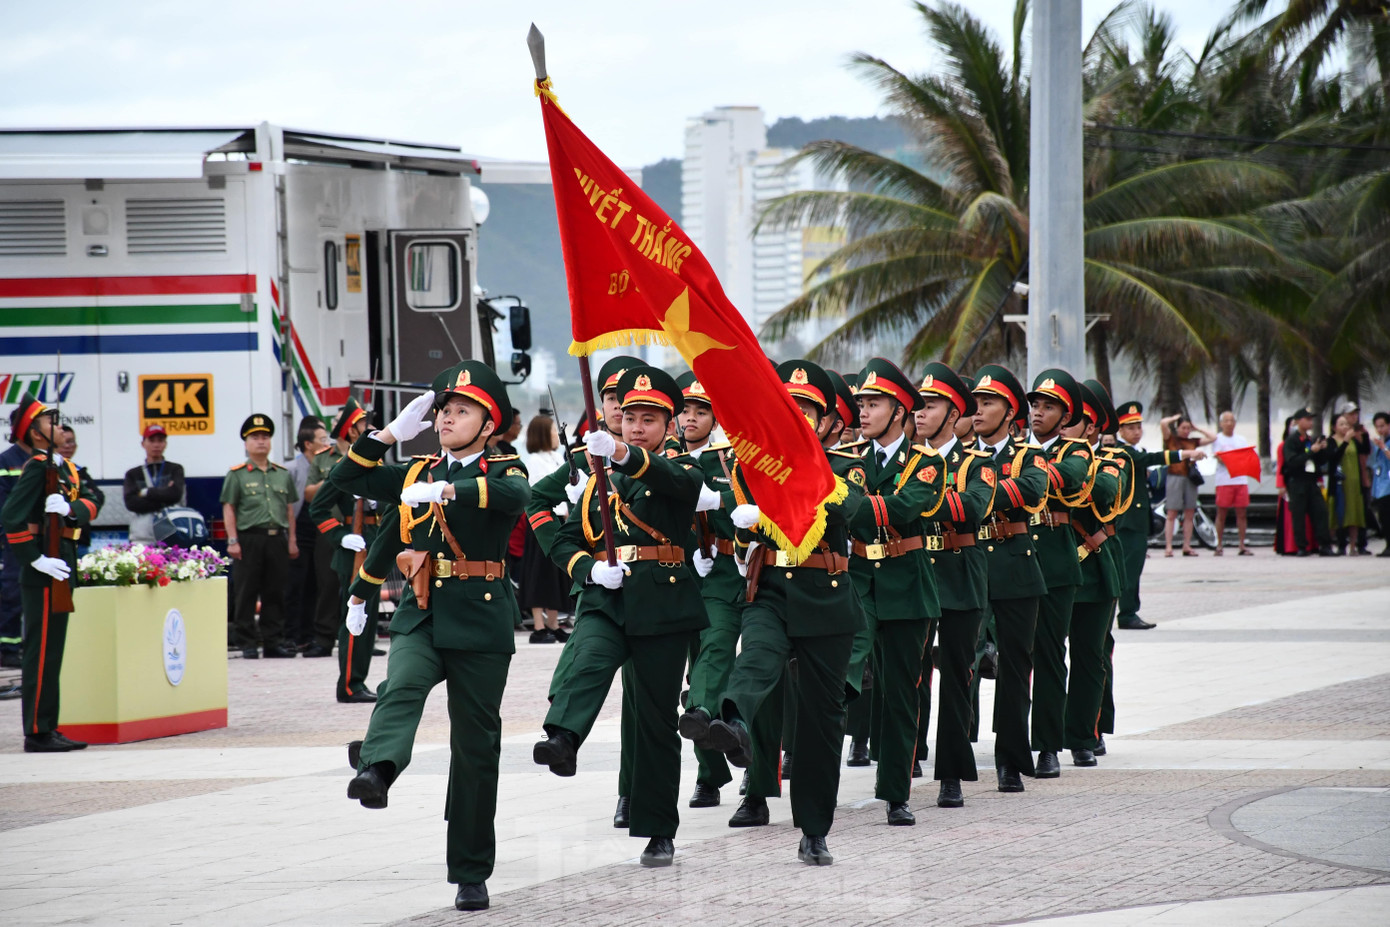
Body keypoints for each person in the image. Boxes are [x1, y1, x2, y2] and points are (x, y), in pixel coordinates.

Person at [335, 362, 529, 913]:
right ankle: (377, 769)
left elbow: (512, 497)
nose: (446, 416)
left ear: (488, 425)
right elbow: (344, 483)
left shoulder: (505, 466)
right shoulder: (415, 469)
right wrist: (388, 436)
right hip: (423, 610)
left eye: (461, 409)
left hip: (482, 618)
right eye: (443, 409)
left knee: (475, 749)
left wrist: (449, 488)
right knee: (402, 685)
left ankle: (470, 870)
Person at [534, 365, 710, 869]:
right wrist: (587, 567)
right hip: (607, 599)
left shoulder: (682, 466)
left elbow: (675, 483)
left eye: (649, 418)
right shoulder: (596, 474)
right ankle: (563, 737)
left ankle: (658, 830)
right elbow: (567, 536)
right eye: (628, 417)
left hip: (663, 604)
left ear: (669, 424)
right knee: (586, 658)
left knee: (654, 722)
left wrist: (626, 458)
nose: (635, 426)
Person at [704, 359, 866, 866]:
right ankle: (732, 723)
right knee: (756, 657)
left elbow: (850, 509)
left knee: (822, 721)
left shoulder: (840, 466)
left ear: (826, 421)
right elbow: (741, 531)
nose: (796, 416)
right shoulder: (752, 465)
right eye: (787, 408)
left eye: (806, 409)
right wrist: (733, 531)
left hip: (827, 595)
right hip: (771, 587)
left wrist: (774, 509)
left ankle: (814, 829)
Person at [525, 355, 645, 829]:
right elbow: (537, 504)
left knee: (653, 703)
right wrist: (578, 563)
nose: (619, 409)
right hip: (604, 592)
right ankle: (572, 745)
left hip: (666, 593)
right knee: (582, 660)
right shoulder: (584, 457)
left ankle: (699, 773)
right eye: (612, 399)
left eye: (629, 401)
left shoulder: (666, 452)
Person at [837, 358, 946, 825]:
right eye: (860, 402)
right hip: (857, 580)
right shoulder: (846, 459)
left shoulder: (926, 463)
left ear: (900, 411)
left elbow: (902, 510)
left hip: (905, 584)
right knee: (838, 678)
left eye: (874, 403)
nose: (863, 411)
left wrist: (852, 503)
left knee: (902, 692)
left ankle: (896, 792)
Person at [910, 363, 994, 808]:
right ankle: (906, 758)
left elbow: (974, 507)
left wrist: (916, 502)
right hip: (916, 569)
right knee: (908, 673)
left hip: (961, 571)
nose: (920, 414)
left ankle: (952, 773)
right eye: (917, 406)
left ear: (954, 413)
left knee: (959, 675)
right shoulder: (907, 461)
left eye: (930, 406)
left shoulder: (977, 464)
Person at [3, 394, 103, 751]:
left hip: (62, 562)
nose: (59, 427)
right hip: (44, 569)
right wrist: (34, 559)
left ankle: (48, 726)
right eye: (50, 422)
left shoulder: (64, 467)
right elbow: (11, 518)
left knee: (53, 650)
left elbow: (94, 500)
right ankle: (37, 731)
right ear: (35, 432)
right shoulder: (36, 467)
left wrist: (71, 507)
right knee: (41, 651)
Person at [971, 365, 1048, 790]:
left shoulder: (1028, 456)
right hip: (971, 565)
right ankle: (956, 752)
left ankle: (1010, 757)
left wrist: (977, 495)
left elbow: (1033, 491)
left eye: (988, 403)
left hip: (1016, 566)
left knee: (1016, 667)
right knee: (963, 662)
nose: (978, 410)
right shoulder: (964, 455)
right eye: (976, 403)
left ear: (1010, 411)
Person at [673, 371, 740, 811]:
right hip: (681, 572)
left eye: (702, 411)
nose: (691, 419)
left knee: (713, 656)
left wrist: (717, 508)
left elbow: (746, 510)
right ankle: (711, 772)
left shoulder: (727, 460)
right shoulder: (667, 458)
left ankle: (708, 767)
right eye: (685, 411)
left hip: (724, 572)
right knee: (696, 668)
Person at [1026, 369, 1093, 779]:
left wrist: (1025, 477)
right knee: (1012, 659)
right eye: (1035, 404)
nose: (1038, 412)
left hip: (1054, 564)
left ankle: (1048, 745)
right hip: (1013, 562)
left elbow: (1068, 479)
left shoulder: (1076, 452)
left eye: (1048, 406)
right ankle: (1009, 744)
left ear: (1065, 416)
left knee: (1050, 657)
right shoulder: (1013, 449)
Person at [1060, 382, 1128, 768]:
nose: (1065, 424)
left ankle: (1085, 734)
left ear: (1091, 427)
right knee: (1048, 656)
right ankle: (1050, 733)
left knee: (1091, 654)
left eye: (1074, 419)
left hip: (1094, 563)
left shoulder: (1112, 459)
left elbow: (1104, 491)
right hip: (1051, 563)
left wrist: (1069, 472)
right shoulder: (1043, 457)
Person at [308, 398, 381, 701]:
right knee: (354, 615)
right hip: (352, 549)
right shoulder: (344, 469)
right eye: (365, 425)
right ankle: (349, 684)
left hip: (375, 546)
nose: (372, 428)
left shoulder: (378, 467)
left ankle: (359, 680)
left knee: (370, 619)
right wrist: (340, 536)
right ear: (353, 432)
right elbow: (318, 509)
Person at [1111, 401, 1205, 629]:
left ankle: (1129, 612)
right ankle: (1127, 615)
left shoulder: (1132, 451)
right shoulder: (1122, 452)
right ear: (1120, 431)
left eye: (1138, 427)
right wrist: (1185, 453)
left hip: (1136, 521)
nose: (1136, 432)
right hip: (1128, 522)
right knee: (1129, 570)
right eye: (1130, 428)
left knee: (1133, 569)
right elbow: (1151, 458)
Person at [221, 414, 300, 659]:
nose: (261, 441)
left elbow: (289, 509)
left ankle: (272, 642)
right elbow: (229, 507)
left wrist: (292, 540)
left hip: (276, 538)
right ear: (246, 443)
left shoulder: (281, 474)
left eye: (265, 437)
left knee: (274, 592)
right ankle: (247, 643)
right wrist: (232, 540)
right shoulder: (237, 474)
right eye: (255, 437)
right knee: (246, 592)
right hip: (248, 539)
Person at [518, 413, 571, 643]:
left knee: (556, 574)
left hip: (559, 520)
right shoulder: (535, 462)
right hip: (541, 522)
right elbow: (539, 494)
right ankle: (539, 626)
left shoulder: (557, 458)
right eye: (552, 432)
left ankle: (553, 621)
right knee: (539, 574)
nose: (556, 436)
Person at [0, 404, 39, 670]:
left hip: (42, 539)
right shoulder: (6, 461)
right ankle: (9, 648)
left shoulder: (43, 459)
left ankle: (31, 645)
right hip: (15, 539)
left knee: (38, 593)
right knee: (13, 591)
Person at [304, 418, 346, 657]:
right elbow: (308, 494)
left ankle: (360, 639)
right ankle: (323, 639)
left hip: (359, 531)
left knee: (360, 586)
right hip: (329, 530)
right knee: (327, 585)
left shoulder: (369, 454)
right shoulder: (322, 457)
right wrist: (334, 479)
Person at [285, 418, 326, 647]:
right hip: (299, 531)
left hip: (320, 530)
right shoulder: (291, 469)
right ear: (308, 444)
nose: (326, 442)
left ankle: (309, 634)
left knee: (315, 583)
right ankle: (291, 634)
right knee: (294, 584)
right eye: (322, 439)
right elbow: (289, 505)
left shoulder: (325, 465)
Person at [1281, 408, 1338, 556]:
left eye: (1311, 419)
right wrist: (1311, 451)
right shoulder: (1291, 440)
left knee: (1320, 512)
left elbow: (1319, 461)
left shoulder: (1311, 439)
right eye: (1307, 419)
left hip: (1312, 481)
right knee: (1298, 515)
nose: (1310, 422)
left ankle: (1324, 545)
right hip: (1297, 481)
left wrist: (1322, 450)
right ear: (1299, 421)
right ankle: (1301, 547)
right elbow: (1292, 461)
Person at [1160, 414, 1214, 557]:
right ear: (1177, 428)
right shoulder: (1171, 439)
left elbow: (1213, 437)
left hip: (1190, 478)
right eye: (1183, 427)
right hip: (1174, 476)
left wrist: (1197, 428)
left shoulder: (1193, 441)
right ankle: (1169, 546)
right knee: (1172, 513)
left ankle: (1186, 545)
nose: (1186, 431)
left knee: (1190, 512)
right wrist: (1173, 418)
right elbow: (1163, 423)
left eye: (1188, 428)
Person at [123, 425, 187, 543]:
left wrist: (147, 492)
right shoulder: (133, 474)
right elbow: (131, 503)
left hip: (172, 536)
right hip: (142, 538)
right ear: (143, 444)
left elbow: (176, 495)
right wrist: (165, 496)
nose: (156, 445)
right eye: (152, 441)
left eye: (160, 441)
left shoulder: (175, 469)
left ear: (165, 444)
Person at [1206, 411, 1253, 556]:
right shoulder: (1217, 440)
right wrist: (1234, 459)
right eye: (1226, 421)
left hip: (1240, 480)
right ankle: (1218, 544)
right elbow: (1220, 459)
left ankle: (1242, 545)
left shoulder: (1241, 440)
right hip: (1224, 481)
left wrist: (1232, 459)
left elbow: (1245, 458)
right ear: (1221, 424)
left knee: (1242, 513)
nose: (1229, 423)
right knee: (1221, 513)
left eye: (1231, 420)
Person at [1328, 413, 1367, 555]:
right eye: (1341, 424)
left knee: (1354, 513)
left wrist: (1364, 436)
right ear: (1334, 427)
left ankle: (1353, 546)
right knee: (1336, 513)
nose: (1345, 427)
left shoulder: (1353, 440)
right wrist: (1344, 441)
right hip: (1338, 483)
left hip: (1354, 482)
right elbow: (1333, 458)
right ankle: (1336, 545)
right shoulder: (1331, 441)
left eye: (1346, 424)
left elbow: (1365, 450)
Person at [1370, 412, 1390, 557]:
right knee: (1383, 516)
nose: (1380, 429)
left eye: (1382, 426)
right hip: (1381, 484)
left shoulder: (1384, 444)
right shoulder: (1379, 442)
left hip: (1388, 485)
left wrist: (1383, 447)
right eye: (1377, 427)